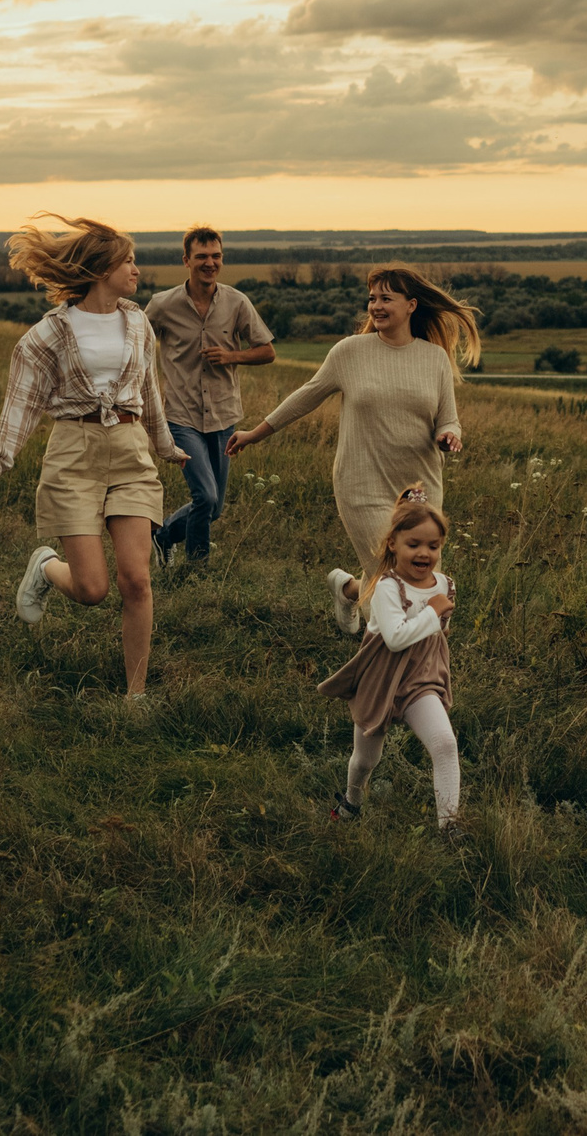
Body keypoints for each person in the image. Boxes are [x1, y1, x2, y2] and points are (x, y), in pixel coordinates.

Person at [0, 216, 187, 701]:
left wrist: (166, 446)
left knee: (137, 580)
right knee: (92, 589)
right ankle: (45, 567)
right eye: (128, 260)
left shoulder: (137, 321)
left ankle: (136, 696)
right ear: (101, 268)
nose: (136, 269)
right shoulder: (48, 335)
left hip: (130, 456)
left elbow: (149, 393)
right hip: (73, 455)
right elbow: (20, 403)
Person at [226, 265, 476, 634]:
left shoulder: (434, 358)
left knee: (413, 574)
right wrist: (256, 433)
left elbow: (448, 419)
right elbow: (306, 396)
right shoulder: (349, 352)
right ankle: (387, 670)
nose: (375, 306)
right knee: (394, 579)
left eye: (385, 298)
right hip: (363, 483)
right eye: (372, 298)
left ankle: (348, 590)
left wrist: (449, 435)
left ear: (411, 306)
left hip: (419, 487)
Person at [318, 492, 463, 839]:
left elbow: (437, 631)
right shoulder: (386, 587)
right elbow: (397, 639)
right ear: (393, 543)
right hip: (381, 678)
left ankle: (450, 826)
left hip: (420, 679)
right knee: (366, 759)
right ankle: (352, 800)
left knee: (445, 743)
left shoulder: (442, 584)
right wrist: (433, 611)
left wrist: (439, 613)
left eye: (433, 545)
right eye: (414, 544)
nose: (424, 553)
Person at [144, 225, 276, 567]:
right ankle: (196, 570)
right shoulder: (162, 305)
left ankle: (163, 535)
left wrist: (232, 356)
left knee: (214, 507)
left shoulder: (236, 302)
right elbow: (137, 345)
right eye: (202, 256)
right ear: (186, 260)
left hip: (223, 416)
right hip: (181, 416)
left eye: (216, 256)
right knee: (205, 496)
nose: (210, 262)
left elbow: (267, 351)